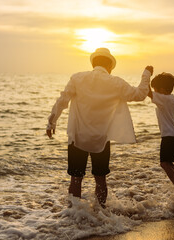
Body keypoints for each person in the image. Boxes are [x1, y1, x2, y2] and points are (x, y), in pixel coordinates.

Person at [46, 48, 153, 207]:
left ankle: (74, 214)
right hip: (101, 139)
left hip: (78, 136)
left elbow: (62, 100)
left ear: (93, 63)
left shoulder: (77, 78)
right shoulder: (116, 82)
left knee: (76, 178)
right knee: (100, 178)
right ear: (109, 65)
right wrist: (146, 75)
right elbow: (139, 95)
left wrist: (52, 122)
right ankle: (101, 213)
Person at [147, 73, 174, 198]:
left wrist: (146, 74)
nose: (155, 92)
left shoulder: (164, 99)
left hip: (170, 136)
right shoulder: (170, 98)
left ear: (162, 90)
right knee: (168, 163)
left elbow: (148, 92)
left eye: (156, 89)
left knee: (164, 163)